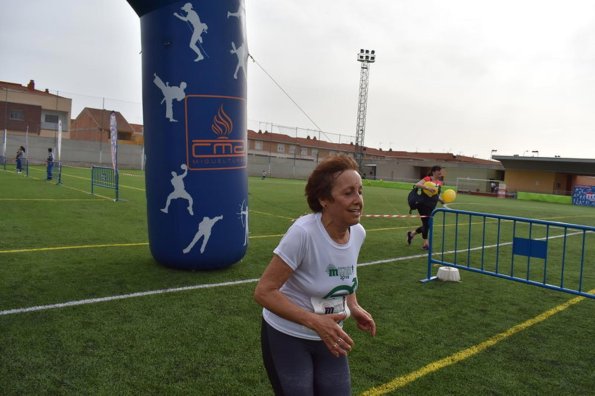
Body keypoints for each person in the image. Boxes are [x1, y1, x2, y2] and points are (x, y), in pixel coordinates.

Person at [254, 155, 376, 395]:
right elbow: (264, 292)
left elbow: (345, 276)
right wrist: (314, 321)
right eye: (348, 193)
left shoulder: (358, 233)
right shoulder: (303, 233)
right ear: (324, 200)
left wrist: (354, 305)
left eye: (360, 192)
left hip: (331, 337)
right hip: (288, 337)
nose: (358, 200)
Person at [407, 165, 444, 250]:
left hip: (432, 206)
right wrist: (427, 187)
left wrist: (441, 200)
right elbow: (417, 184)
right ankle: (425, 243)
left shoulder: (439, 183)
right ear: (434, 171)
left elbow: (435, 195)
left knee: (427, 225)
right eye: (439, 171)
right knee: (427, 224)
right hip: (423, 204)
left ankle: (411, 234)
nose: (440, 173)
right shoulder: (428, 179)